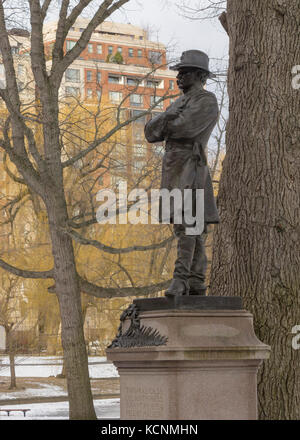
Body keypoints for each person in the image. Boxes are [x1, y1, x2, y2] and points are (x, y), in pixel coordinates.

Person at [144, 50, 219, 297]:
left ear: (199, 75)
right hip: (172, 167)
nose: (179, 77)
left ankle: (181, 279)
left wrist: (166, 123)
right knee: (185, 226)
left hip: (191, 167)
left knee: (190, 224)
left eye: (184, 72)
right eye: (178, 72)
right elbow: (150, 133)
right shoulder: (176, 104)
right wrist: (167, 116)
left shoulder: (206, 100)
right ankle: (196, 282)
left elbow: (185, 128)